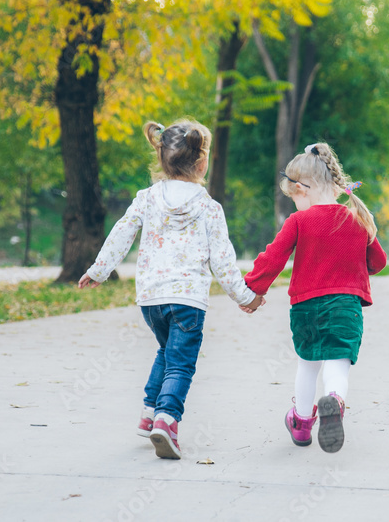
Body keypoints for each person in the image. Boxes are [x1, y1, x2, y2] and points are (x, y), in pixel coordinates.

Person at [78, 119, 264, 460]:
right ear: (203, 162)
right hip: (188, 301)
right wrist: (246, 296)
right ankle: (167, 420)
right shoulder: (208, 206)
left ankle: (149, 413)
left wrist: (98, 270)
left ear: (162, 159)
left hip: (151, 299)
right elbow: (223, 260)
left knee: (167, 352)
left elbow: (122, 232)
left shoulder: (146, 198)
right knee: (181, 364)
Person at [245, 142, 387, 453]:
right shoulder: (357, 218)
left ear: (302, 189)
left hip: (306, 308)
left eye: (293, 197)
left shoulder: (299, 221)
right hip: (346, 308)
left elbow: (273, 258)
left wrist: (251, 289)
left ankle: (301, 421)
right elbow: (378, 263)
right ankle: (334, 401)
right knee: (337, 362)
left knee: (308, 364)